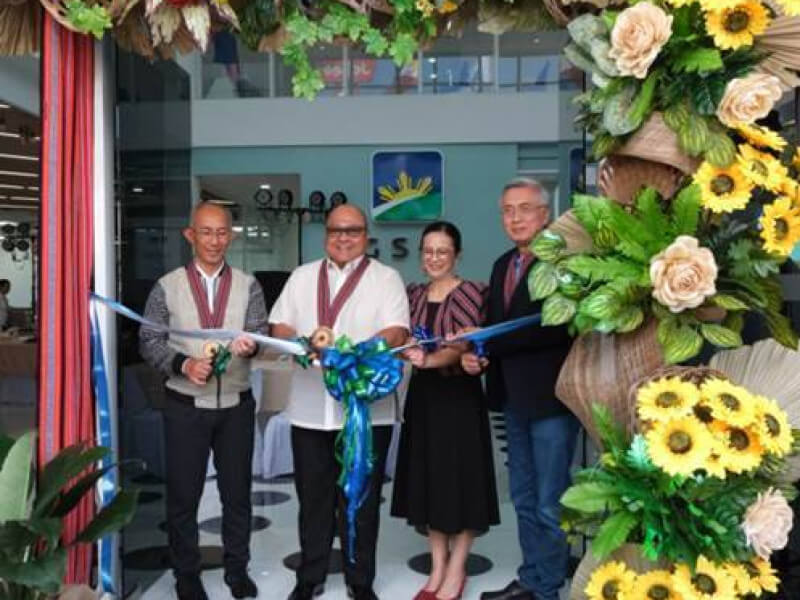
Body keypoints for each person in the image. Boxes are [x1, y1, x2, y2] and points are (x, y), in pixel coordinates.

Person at [269, 204, 409, 600]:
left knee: (362, 500)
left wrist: (349, 355)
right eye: (335, 230)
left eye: (352, 230)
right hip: (310, 413)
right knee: (312, 502)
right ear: (325, 234)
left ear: (366, 235)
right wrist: (299, 344)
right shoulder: (301, 277)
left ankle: (359, 581)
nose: (343, 237)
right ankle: (309, 578)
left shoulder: (386, 278)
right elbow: (280, 324)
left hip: (366, 415)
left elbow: (396, 332)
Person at [140, 202, 266, 600]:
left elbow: (260, 333)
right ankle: (187, 576)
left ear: (231, 236)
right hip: (184, 406)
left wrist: (250, 346)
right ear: (190, 235)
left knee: (237, 496)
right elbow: (149, 340)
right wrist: (182, 364)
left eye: (221, 232)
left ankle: (236, 571)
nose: (214, 240)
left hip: (236, 404)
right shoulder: (166, 286)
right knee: (183, 497)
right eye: (205, 232)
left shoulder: (250, 285)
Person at [462, 178, 579, 600]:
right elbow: (498, 328)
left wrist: (489, 338)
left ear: (544, 214)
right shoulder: (501, 264)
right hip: (510, 397)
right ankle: (533, 578)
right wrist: (480, 353)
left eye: (524, 208)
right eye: (507, 210)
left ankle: (548, 587)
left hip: (551, 400)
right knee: (525, 497)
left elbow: (556, 328)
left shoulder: (565, 262)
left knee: (551, 501)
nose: (515, 217)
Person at [391, 221, 499, 600]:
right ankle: (436, 568)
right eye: (428, 251)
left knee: (462, 483)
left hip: (459, 398)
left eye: (443, 251)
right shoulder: (413, 294)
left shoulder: (472, 292)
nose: (434, 258)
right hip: (423, 399)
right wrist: (405, 349)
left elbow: (461, 348)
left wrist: (425, 359)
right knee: (430, 483)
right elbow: (402, 337)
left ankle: (457, 569)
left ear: (457, 255)